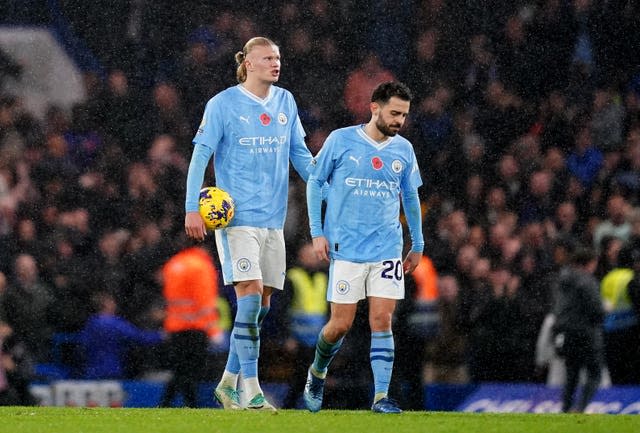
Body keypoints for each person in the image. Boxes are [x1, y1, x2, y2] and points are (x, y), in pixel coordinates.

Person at [184, 36, 313, 411]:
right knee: (251, 293)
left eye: (278, 57)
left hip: (274, 220)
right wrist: (192, 207)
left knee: (263, 303)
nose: (276, 63)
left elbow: (301, 155)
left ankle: (227, 382)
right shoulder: (223, 104)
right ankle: (251, 389)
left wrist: (326, 184)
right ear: (250, 63)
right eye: (268, 58)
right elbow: (200, 156)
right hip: (236, 219)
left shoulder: (286, 101)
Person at [303, 81, 424, 414]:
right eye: (394, 112)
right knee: (340, 324)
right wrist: (317, 232)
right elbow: (314, 182)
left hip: (387, 248)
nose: (400, 120)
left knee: (382, 320)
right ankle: (317, 371)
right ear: (375, 107)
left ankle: (381, 397)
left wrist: (418, 241)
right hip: (347, 249)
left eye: (404, 115)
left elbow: (411, 197)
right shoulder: (341, 140)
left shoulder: (404, 150)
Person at [159, 246, 221, 408]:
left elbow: (170, 299)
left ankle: (171, 403)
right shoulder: (200, 266)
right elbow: (205, 302)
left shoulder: (174, 264)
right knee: (191, 371)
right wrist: (213, 330)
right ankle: (187, 404)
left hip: (175, 327)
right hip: (195, 327)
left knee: (180, 370)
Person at [551, 247, 605, 413]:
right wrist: (605, 309)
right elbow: (596, 309)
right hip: (586, 333)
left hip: (566, 333)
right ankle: (580, 408)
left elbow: (558, 308)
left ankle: (566, 408)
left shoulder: (563, 281)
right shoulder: (587, 281)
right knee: (595, 373)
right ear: (590, 263)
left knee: (572, 374)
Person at [79, 291, 164, 380]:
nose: (115, 304)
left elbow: (83, 345)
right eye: (112, 301)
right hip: (112, 368)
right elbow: (139, 337)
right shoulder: (114, 323)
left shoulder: (91, 323)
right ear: (106, 304)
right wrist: (160, 336)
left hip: (92, 369)